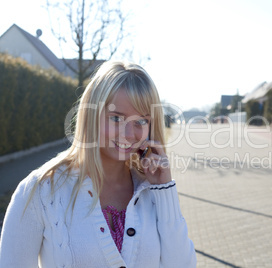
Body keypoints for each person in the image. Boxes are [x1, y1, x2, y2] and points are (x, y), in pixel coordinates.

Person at [0, 61, 197, 267]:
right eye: (116, 119)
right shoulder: (40, 191)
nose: (129, 134)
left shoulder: (153, 190)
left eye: (141, 121)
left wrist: (164, 189)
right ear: (91, 116)